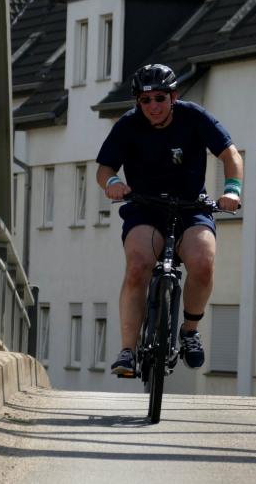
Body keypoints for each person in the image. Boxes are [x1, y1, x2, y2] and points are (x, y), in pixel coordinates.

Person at [96, 64, 243, 376]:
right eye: (145, 100)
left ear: (173, 96)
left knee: (203, 263)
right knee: (137, 266)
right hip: (145, 208)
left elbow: (230, 155)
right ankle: (127, 350)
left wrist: (232, 190)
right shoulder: (128, 125)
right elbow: (104, 169)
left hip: (191, 207)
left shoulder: (194, 117)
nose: (153, 106)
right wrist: (113, 183)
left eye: (160, 98)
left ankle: (189, 331)